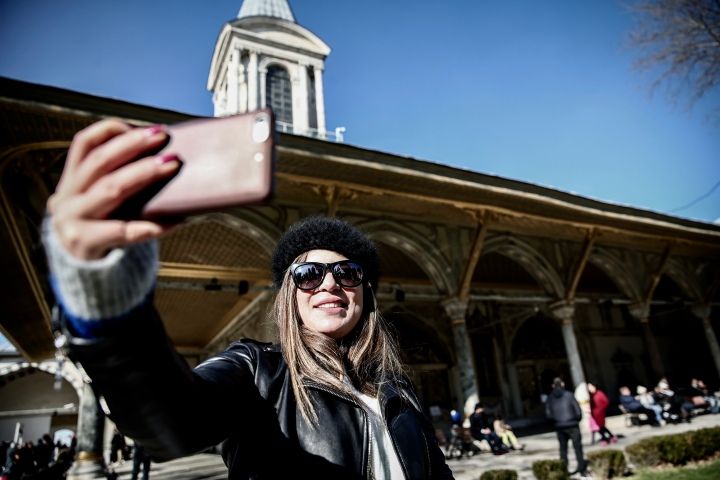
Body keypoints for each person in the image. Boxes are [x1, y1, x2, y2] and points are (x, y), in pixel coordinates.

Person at [42, 120, 453, 480]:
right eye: (308, 275)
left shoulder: (396, 388)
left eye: (347, 273)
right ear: (289, 297)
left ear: (365, 294)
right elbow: (174, 423)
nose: (329, 283)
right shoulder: (257, 372)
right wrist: (105, 298)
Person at [545, 378, 587, 477]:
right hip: (572, 425)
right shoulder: (569, 395)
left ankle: (564, 470)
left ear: (553, 386)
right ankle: (581, 469)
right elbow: (578, 411)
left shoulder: (550, 398)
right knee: (578, 448)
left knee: (563, 449)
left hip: (559, 426)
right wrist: (576, 420)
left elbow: (548, 415)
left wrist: (556, 421)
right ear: (562, 384)